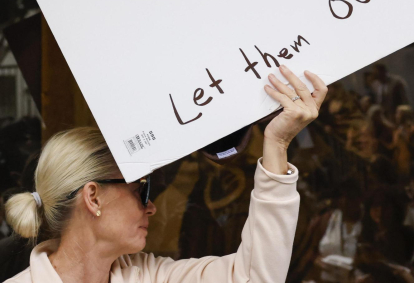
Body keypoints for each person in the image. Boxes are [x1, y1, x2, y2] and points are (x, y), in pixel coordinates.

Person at [4, 66, 327, 283]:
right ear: (93, 196)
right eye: (140, 190)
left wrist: (277, 142)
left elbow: (252, 276)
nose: (152, 206)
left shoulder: (148, 275)